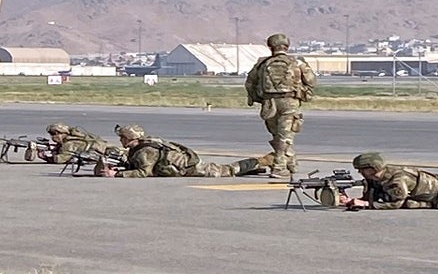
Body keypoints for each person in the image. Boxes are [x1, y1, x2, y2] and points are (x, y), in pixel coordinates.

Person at [245, 33, 317, 179]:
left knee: (278, 135)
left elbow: (249, 83)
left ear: (270, 46)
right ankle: (279, 167)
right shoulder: (297, 62)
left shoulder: (262, 64)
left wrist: (257, 98)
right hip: (289, 102)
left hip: (269, 103)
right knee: (285, 136)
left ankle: (290, 161)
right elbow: (311, 80)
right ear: (287, 46)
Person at [99, 124, 272, 178]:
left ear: (131, 138)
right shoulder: (138, 148)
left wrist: (118, 175)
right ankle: (256, 167)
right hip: (182, 167)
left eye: (123, 137)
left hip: (190, 168)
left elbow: (144, 172)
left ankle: (261, 161)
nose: (120, 140)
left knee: (227, 170)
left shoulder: (146, 151)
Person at [43, 122, 115, 165]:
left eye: (53, 134)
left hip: (104, 154)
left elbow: (59, 159)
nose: (52, 136)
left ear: (61, 134)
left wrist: (44, 157)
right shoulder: (74, 138)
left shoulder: (69, 144)